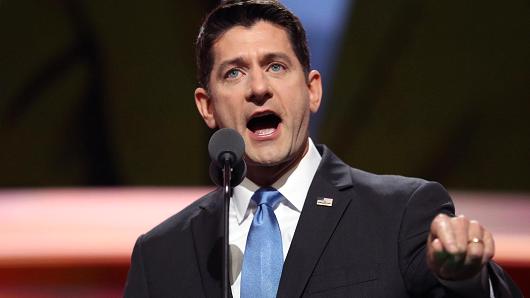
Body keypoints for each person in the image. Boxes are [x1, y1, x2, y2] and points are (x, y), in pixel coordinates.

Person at [124, 1, 522, 297]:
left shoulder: (401, 214)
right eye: (234, 73)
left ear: (312, 89)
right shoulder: (160, 254)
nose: (259, 88)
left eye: (276, 66)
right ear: (207, 106)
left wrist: (466, 279)